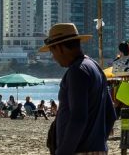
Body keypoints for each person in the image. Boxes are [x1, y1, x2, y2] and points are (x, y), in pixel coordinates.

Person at [40, 23, 116, 155]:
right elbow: (110, 114)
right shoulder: (95, 67)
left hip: (79, 151)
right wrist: (98, 143)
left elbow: (78, 118)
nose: (54, 57)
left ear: (61, 47)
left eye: (53, 52)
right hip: (98, 150)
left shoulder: (77, 71)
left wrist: (64, 151)